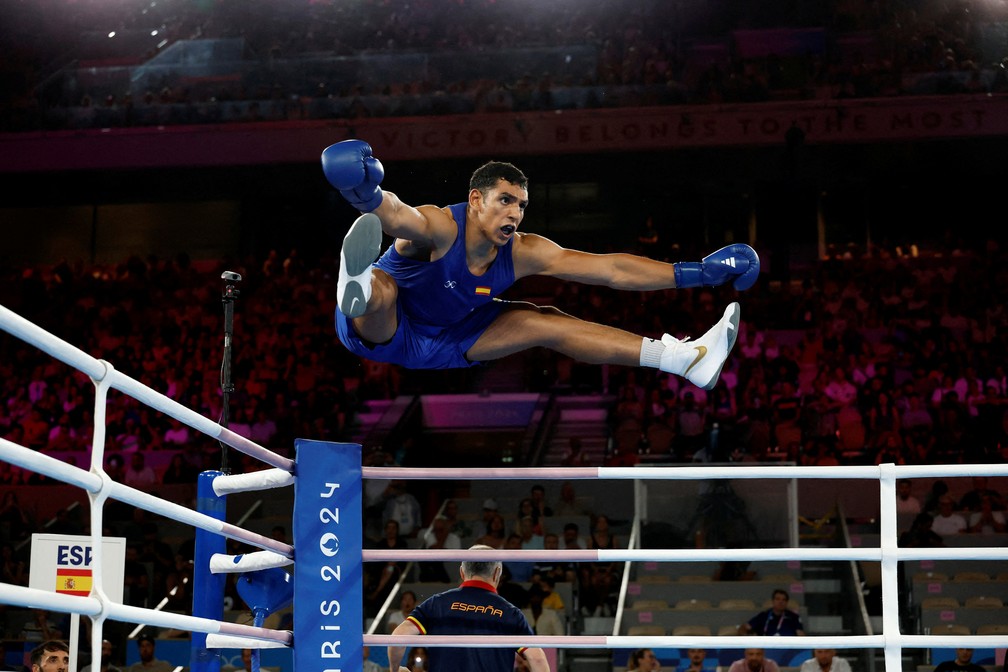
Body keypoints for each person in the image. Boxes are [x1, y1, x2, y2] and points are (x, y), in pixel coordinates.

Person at [321, 140, 758, 391]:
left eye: (522, 206)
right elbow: (399, 215)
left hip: (449, 342)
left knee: (544, 321)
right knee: (384, 289)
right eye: (505, 201)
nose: (514, 213)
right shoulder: (439, 226)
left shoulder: (525, 249)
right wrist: (365, 195)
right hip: (380, 330)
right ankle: (356, 290)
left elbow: (609, 270)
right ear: (476, 200)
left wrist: (698, 272)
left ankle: (683, 360)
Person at [387, 544, 550, 672]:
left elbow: (398, 636)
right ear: (497, 574)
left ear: (462, 572)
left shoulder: (438, 603)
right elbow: (537, 659)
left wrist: (394, 670)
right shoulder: (510, 613)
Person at [737, 589, 806, 636]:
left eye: (784, 600)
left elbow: (801, 635)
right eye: (777, 599)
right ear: (773, 601)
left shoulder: (793, 617)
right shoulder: (763, 615)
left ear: (786, 602)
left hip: (787, 648)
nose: (780, 602)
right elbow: (744, 628)